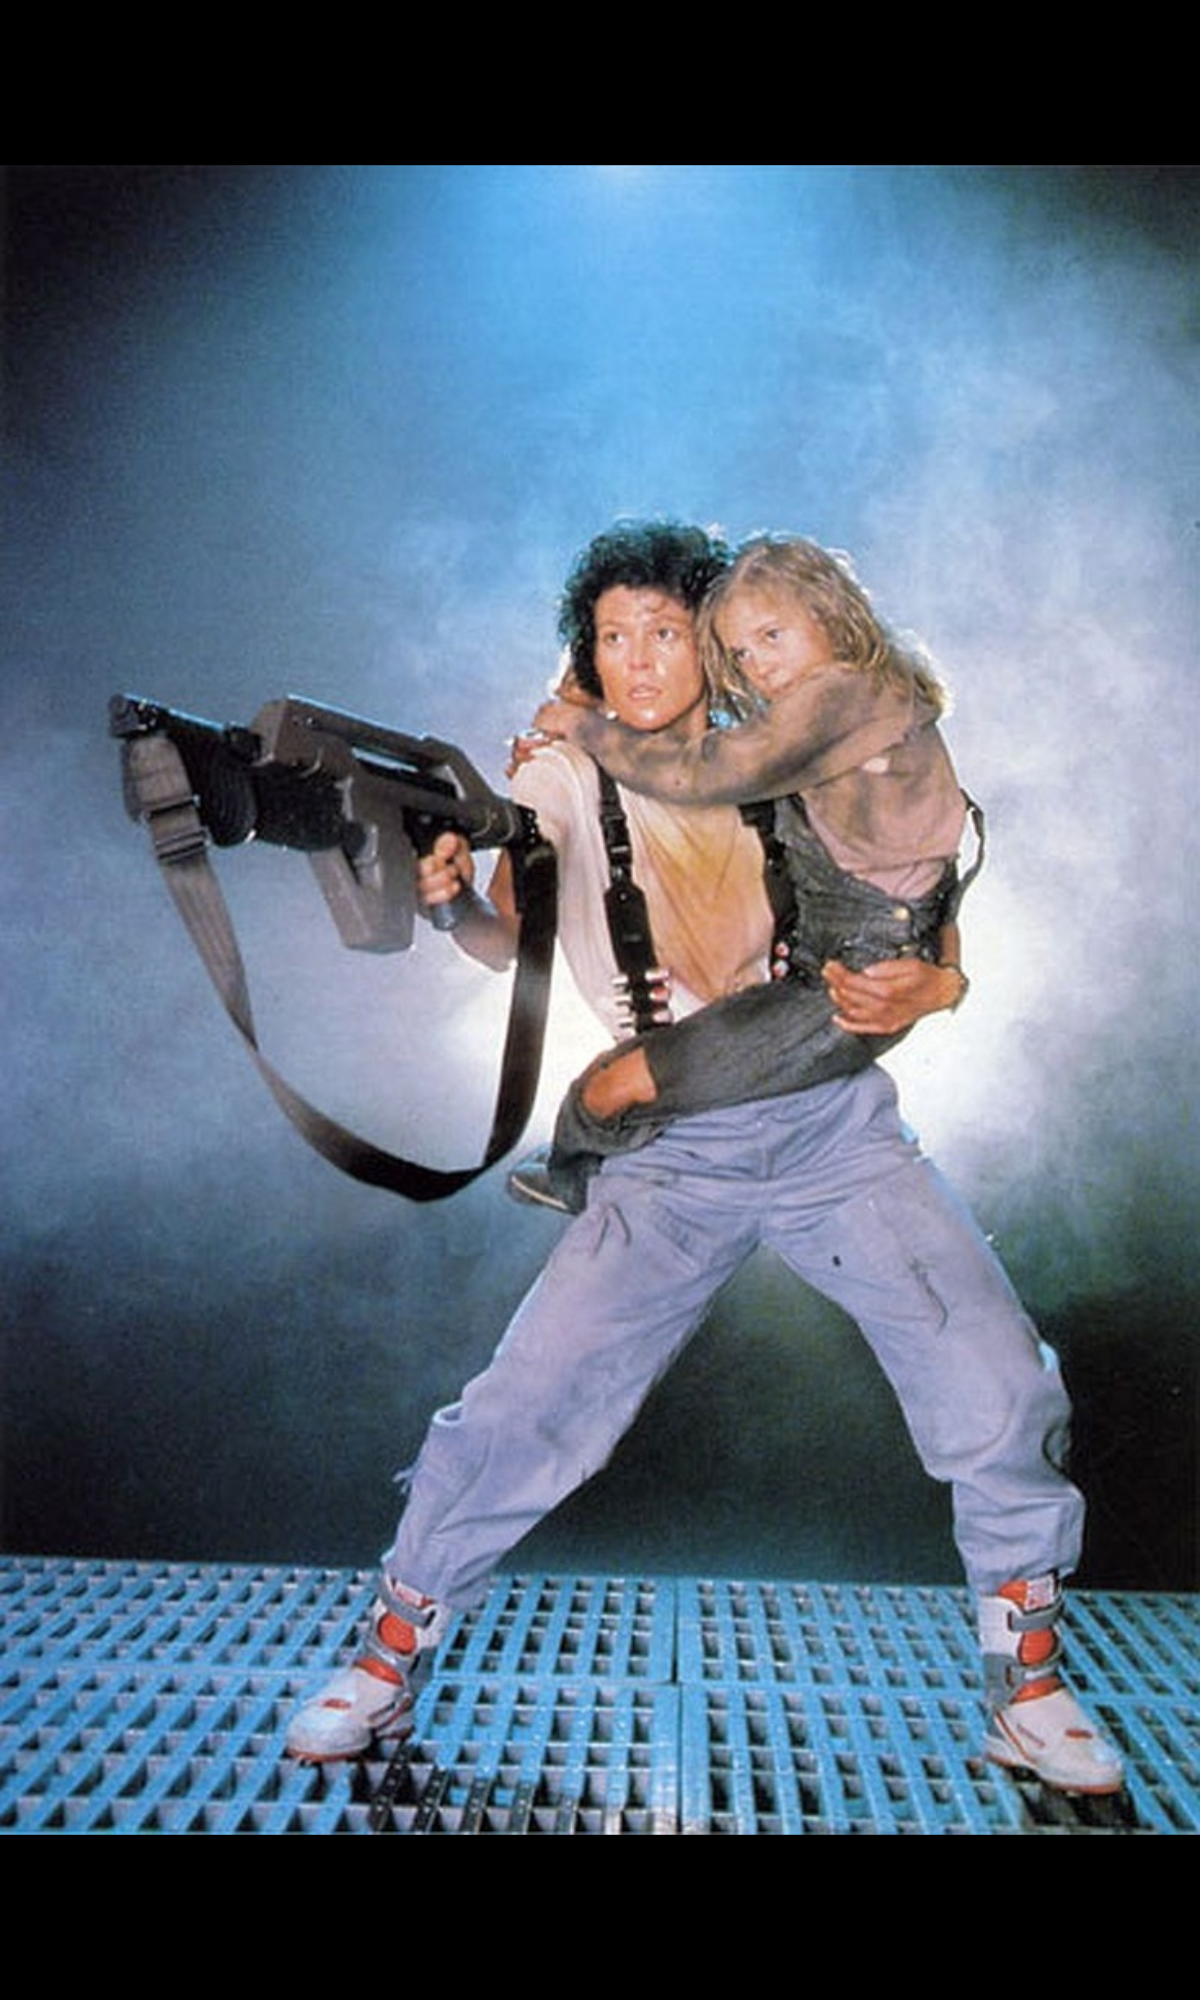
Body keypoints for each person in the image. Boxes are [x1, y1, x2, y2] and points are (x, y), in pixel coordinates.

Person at [284, 519, 1124, 1796]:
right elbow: (509, 930)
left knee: (998, 1382)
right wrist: (451, 896)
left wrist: (940, 982)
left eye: (664, 633)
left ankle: (1031, 1684)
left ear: (715, 645)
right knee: (524, 1406)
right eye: (610, 637)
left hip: (832, 1129)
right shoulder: (565, 775)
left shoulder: (784, 742)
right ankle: (388, 1658)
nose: (635, 660)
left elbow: (922, 890)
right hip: (671, 1157)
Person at [523, 533, 980, 1212]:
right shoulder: (848, 704)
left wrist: (583, 725)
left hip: (853, 978)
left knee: (612, 1088)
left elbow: (700, 771)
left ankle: (570, 1173)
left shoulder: (838, 700)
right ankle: (596, 1171)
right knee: (626, 1078)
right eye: (741, 653)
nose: (760, 665)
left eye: (772, 637)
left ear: (829, 615)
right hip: (841, 959)